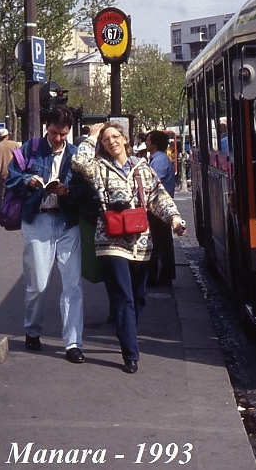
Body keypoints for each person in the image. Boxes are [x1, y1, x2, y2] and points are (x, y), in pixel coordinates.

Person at [72, 121, 186, 374]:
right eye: (105, 139)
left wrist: (175, 219)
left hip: (141, 242)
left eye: (114, 136)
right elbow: (79, 163)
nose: (111, 141)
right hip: (110, 241)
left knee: (138, 297)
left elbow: (158, 197)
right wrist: (91, 138)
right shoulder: (98, 167)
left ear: (124, 139)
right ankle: (130, 353)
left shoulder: (141, 167)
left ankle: (127, 332)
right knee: (123, 296)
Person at [3, 106, 85, 364]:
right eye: (53, 133)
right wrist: (28, 181)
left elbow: (86, 188)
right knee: (38, 282)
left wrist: (69, 191)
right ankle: (32, 329)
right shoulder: (30, 148)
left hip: (66, 221)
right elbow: (10, 178)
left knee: (72, 284)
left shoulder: (77, 155)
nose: (58, 138)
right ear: (46, 127)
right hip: (37, 219)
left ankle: (73, 342)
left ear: (69, 131)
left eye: (62, 134)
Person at [146, 130, 176, 287]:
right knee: (162, 241)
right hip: (160, 207)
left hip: (159, 207)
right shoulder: (159, 159)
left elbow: (151, 183)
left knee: (159, 242)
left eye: (148, 140)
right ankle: (164, 273)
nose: (146, 142)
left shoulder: (159, 161)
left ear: (154, 143)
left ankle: (161, 275)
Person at [0, 128, 19, 207]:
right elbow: (21, 159)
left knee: (3, 198)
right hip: (16, 175)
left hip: (2, 176)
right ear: (7, 136)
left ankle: (5, 214)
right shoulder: (14, 145)